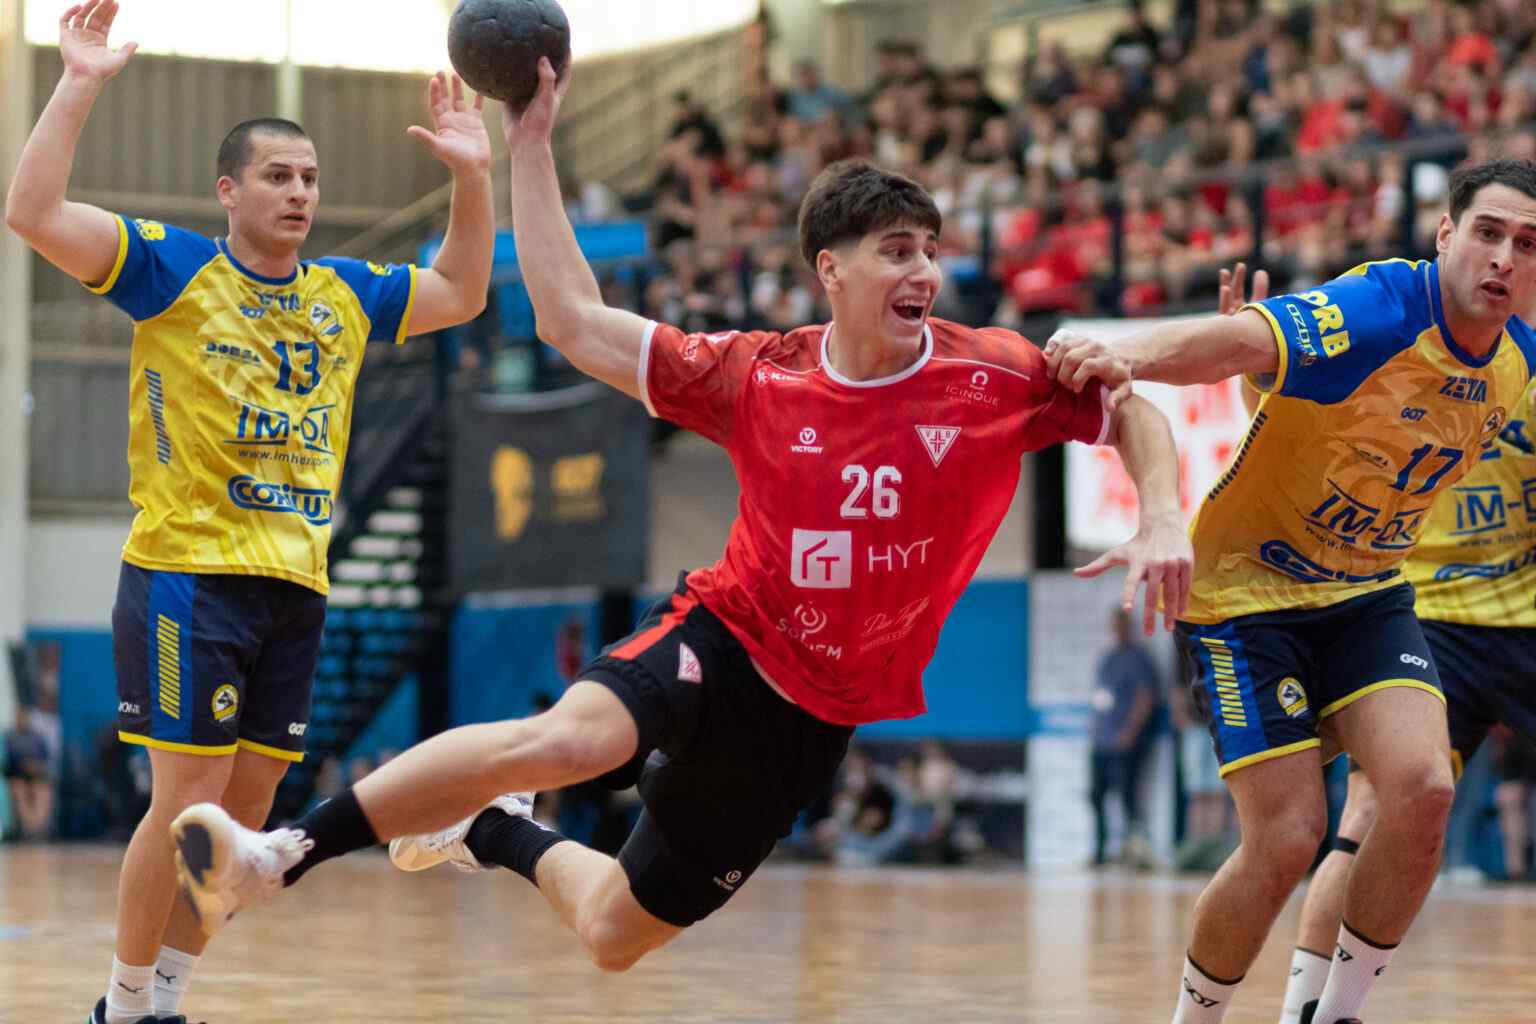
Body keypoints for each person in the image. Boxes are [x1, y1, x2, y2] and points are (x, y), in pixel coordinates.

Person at [167, 55, 1191, 981]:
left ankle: (491, 833)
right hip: (728, 632)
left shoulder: (995, 373)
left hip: (814, 714)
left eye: (929, 249)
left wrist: (1160, 517)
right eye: (894, 250)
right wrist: (531, 144)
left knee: (615, 933)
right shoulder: (759, 377)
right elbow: (569, 319)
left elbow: (1131, 410)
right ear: (830, 271)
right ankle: (282, 853)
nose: (923, 270)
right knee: (565, 740)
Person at [2, 4, 494, 1021]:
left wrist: (471, 175)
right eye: (278, 175)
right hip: (188, 568)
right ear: (228, 191)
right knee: (184, 805)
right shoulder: (173, 268)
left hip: (296, 582)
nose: (300, 192)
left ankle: (168, 998)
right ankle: (122, 1003)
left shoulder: (347, 294)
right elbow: (33, 210)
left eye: (310, 178)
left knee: (246, 813)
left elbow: (460, 287)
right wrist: (80, 81)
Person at [1046, 160, 1536, 1024]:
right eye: (1489, 233)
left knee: (1423, 788)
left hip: (1367, 594)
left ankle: (1329, 1015)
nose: (1503, 258)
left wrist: (1263, 384)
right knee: (1286, 837)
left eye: (1527, 245)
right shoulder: (1386, 303)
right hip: (1247, 593)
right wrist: (1117, 350)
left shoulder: (1517, 361)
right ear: (1446, 236)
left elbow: (1293, 394)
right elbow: (1239, 344)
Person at [1088, 606, 1160, 867]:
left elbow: (1145, 698)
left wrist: (1129, 732)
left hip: (1126, 742)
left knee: (1128, 798)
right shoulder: (1108, 657)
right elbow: (1100, 696)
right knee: (1097, 796)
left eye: (1122, 624)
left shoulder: (1139, 658)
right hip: (1102, 740)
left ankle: (1133, 852)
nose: (1118, 630)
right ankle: (1099, 851)